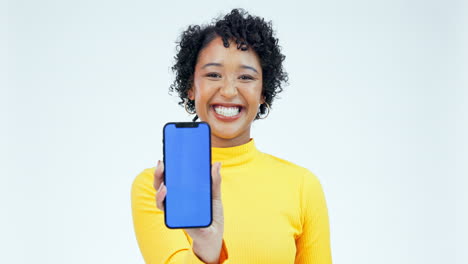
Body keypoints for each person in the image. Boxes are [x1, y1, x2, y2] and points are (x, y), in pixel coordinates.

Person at [131, 8, 332, 264]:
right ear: (191, 87)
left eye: (246, 77)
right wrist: (207, 247)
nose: (227, 91)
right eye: (213, 74)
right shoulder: (158, 189)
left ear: (263, 93)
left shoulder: (302, 186)